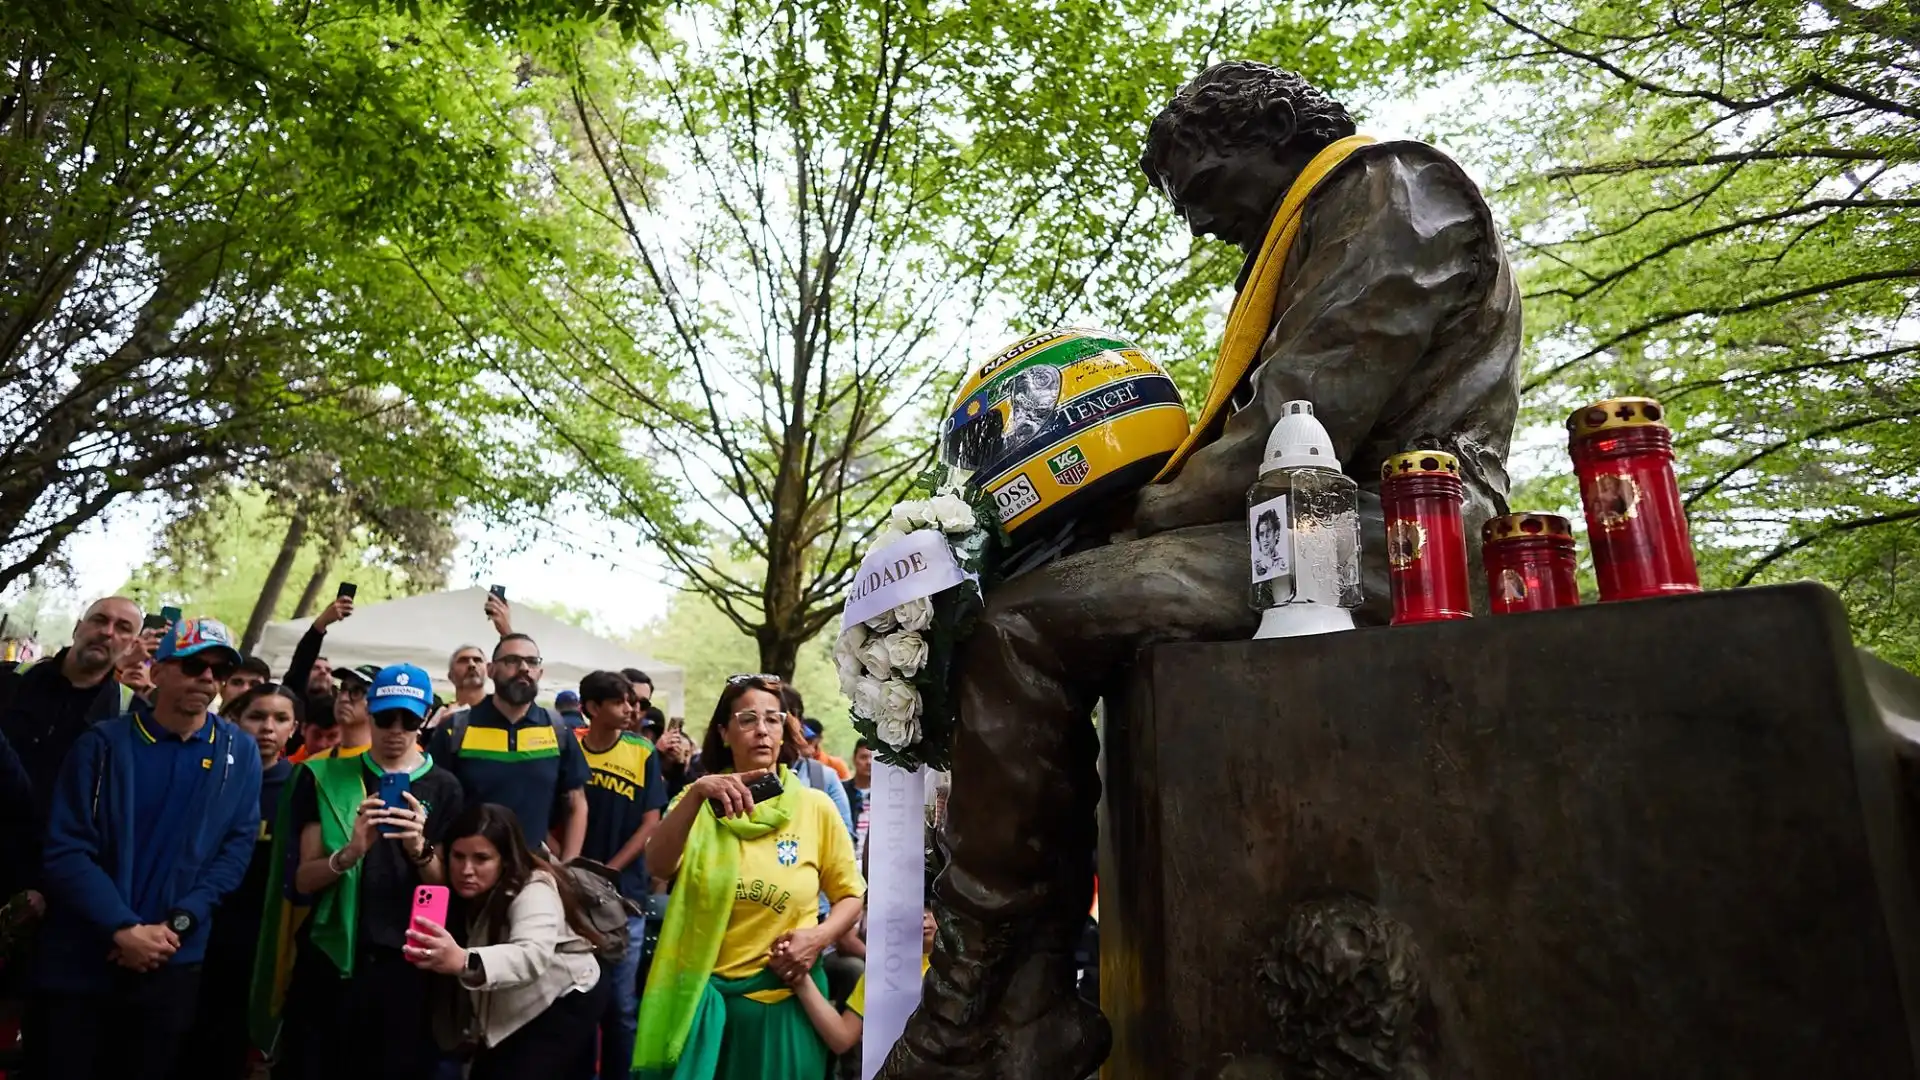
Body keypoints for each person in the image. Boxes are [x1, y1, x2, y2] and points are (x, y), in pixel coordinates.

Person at [887, 62, 1522, 1080]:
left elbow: (1297, 423)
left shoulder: (1393, 189)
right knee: (1029, 609)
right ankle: (1018, 994)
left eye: (1196, 192)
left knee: (1022, 623)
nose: (1195, 226)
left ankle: (982, 1009)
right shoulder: (1322, 223)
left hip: (1391, 531)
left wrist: (1124, 519)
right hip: (1306, 517)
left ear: (1255, 138)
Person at [26, 617, 263, 1080]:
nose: (207, 679)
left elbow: (235, 850)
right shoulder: (102, 745)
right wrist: (122, 928)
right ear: (158, 671)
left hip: (173, 960)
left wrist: (176, 924)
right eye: (194, 666)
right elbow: (67, 849)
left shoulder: (240, 752)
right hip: (82, 959)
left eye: (218, 671)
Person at [633, 674, 865, 1080]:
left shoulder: (815, 808)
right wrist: (695, 796)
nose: (762, 730)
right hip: (706, 1012)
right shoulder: (697, 804)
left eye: (773, 720)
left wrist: (818, 938)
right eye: (747, 719)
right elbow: (657, 865)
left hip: (789, 1006)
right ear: (724, 732)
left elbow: (851, 896)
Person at [262, 663, 463, 1080]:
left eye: (409, 719)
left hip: (404, 962)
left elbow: (446, 889)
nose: (396, 730)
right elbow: (301, 880)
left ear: (425, 717)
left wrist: (417, 848)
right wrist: (351, 852)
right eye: (385, 717)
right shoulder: (322, 776)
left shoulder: (444, 787)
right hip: (330, 953)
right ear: (368, 711)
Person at [404, 804, 608, 1080]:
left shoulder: (535, 888)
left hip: (564, 998)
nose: (467, 869)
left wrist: (464, 960)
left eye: (481, 858)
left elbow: (531, 955)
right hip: (514, 1004)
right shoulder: (470, 891)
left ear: (504, 859)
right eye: (458, 856)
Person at [171, 683, 301, 1080]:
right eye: (257, 716)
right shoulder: (212, 774)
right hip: (198, 922)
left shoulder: (301, 785)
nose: (267, 728)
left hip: (260, 931)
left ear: (294, 729)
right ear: (236, 720)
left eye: (280, 719)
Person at [0, 596, 141, 898]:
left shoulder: (132, 716)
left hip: (47, 885)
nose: (107, 632)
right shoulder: (9, 681)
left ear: (131, 646)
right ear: (78, 628)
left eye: (123, 628)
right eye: (100, 620)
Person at [574, 670, 666, 1078]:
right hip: (570, 891)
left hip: (624, 895)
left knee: (621, 1005)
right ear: (592, 708)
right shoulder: (570, 746)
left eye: (633, 702)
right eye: (621, 702)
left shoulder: (643, 751)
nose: (631, 710)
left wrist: (611, 869)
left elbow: (651, 822)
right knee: (575, 997)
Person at [428, 633, 590, 859]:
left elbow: (576, 802)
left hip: (534, 869)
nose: (524, 668)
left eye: (532, 662)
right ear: (491, 670)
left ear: (540, 673)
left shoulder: (558, 729)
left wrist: (569, 865)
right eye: (512, 661)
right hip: (470, 872)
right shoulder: (456, 729)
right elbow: (435, 802)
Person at [779, 905, 935, 1055]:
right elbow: (842, 1038)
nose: (922, 914)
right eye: (913, 904)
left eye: (931, 905)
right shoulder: (883, 973)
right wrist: (800, 978)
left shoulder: (956, 968)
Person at [782, 688, 854, 837]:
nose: (763, 729)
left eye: (774, 719)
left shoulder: (824, 774)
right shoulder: (730, 779)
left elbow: (844, 837)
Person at [281, 594, 354, 722]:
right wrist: (321, 623)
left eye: (328, 671)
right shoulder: (291, 701)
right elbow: (302, 659)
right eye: (316, 668)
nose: (323, 672)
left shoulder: (341, 710)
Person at [656, 725, 700, 801]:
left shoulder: (694, 783)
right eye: (674, 751)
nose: (685, 759)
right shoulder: (655, 776)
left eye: (687, 754)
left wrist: (680, 765)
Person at [850, 739, 873, 860]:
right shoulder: (842, 791)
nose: (868, 762)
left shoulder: (884, 794)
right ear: (854, 759)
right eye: (863, 757)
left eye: (872, 757)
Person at [448, 644, 489, 710]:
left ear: (489, 671)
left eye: (477, 660)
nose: (472, 664)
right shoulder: (440, 716)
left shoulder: (504, 711)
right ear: (450, 676)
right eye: (463, 661)